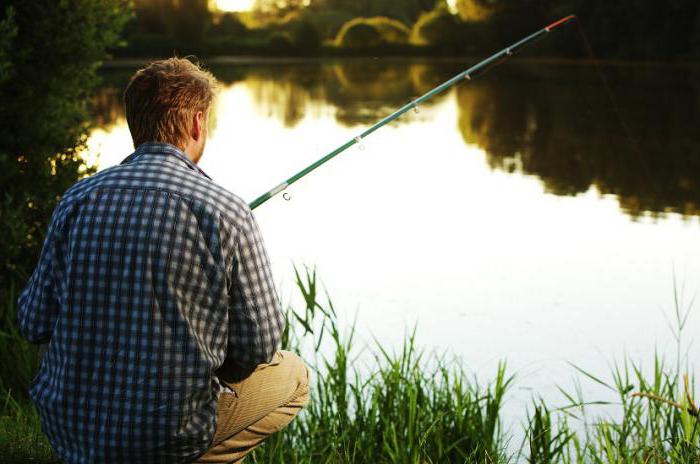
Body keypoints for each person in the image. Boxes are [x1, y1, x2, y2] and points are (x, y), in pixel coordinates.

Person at [17, 57, 309, 463]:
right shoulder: (226, 211)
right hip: (167, 437)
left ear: (134, 125)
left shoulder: (77, 199)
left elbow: (32, 321)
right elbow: (259, 344)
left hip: (71, 433)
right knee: (293, 376)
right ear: (196, 124)